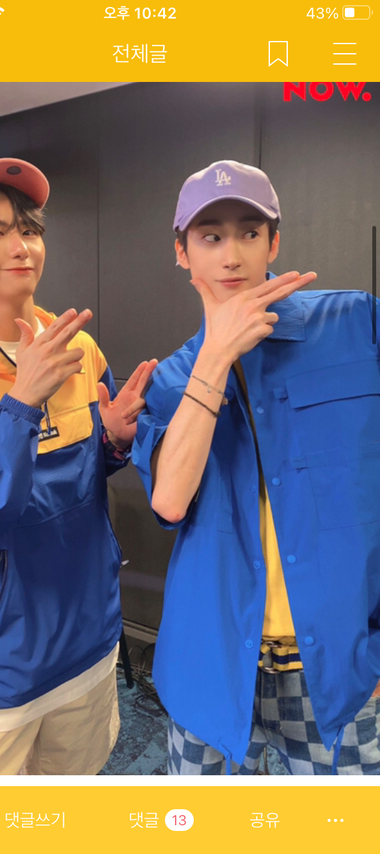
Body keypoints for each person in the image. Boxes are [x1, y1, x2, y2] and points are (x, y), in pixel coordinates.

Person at [0, 157, 156, 775]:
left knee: (63, 812)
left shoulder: (78, 346)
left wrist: (113, 442)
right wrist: (19, 404)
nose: (21, 246)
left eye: (30, 230)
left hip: (88, 639)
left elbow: (75, 481)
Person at [133, 159, 380, 775]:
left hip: (342, 675)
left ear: (274, 243)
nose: (232, 255)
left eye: (249, 232)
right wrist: (215, 358)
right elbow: (169, 501)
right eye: (210, 236)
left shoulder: (356, 325)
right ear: (182, 253)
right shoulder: (170, 380)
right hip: (212, 668)